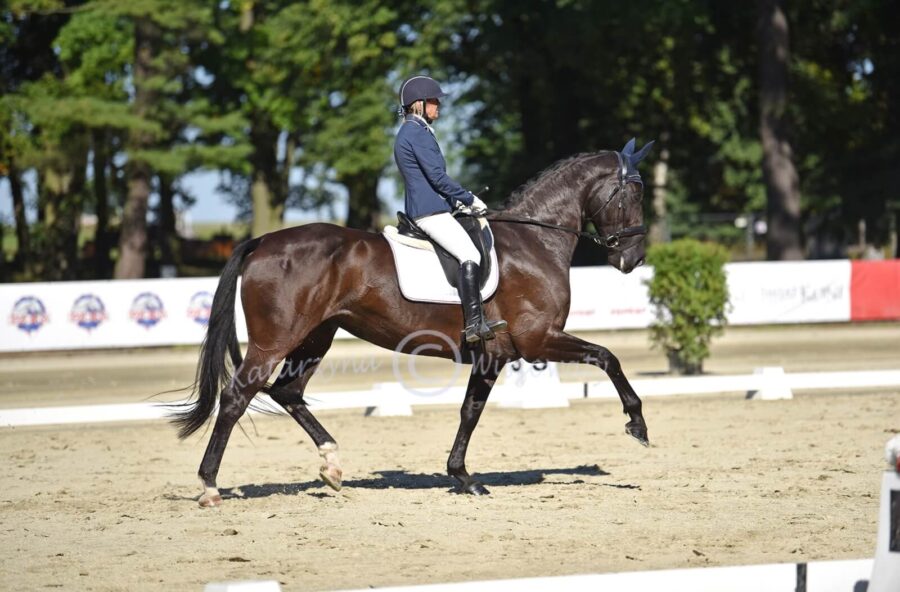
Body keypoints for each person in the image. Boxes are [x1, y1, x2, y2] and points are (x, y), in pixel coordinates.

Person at [393, 75, 507, 344]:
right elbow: (437, 178)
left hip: (435, 206)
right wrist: (467, 198)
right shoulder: (414, 132)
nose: (438, 106)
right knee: (470, 254)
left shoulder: (416, 131)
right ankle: (474, 324)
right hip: (428, 212)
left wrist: (454, 202)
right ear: (418, 104)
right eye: (433, 101)